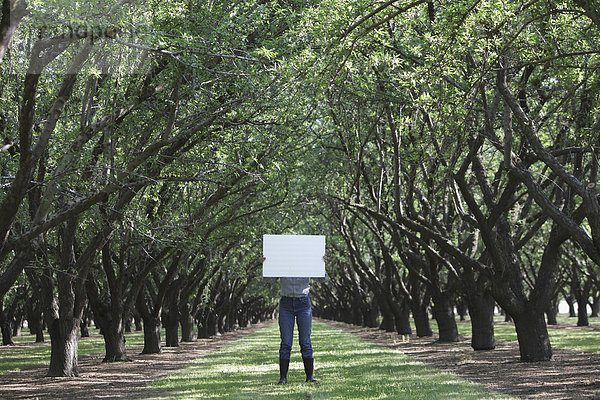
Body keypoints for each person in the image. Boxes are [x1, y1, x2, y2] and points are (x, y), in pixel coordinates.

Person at [263, 257, 326, 385]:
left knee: (305, 341)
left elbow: (323, 278)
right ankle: (283, 378)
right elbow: (268, 279)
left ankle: (310, 377)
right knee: (286, 341)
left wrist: (321, 264)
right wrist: (265, 264)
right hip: (286, 303)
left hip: (303, 303)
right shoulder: (282, 263)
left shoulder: (307, 263)